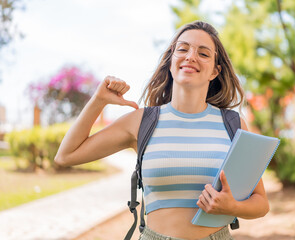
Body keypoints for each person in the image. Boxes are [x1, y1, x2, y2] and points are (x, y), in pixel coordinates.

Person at [55, 21, 269, 240]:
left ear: (215, 71)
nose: (191, 56)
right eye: (183, 49)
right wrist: (98, 101)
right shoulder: (142, 121)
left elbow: (261, 203)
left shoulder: (233, 124)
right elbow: (66, 155)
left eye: (203, 54)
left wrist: (232, 206)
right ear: (171, 61)